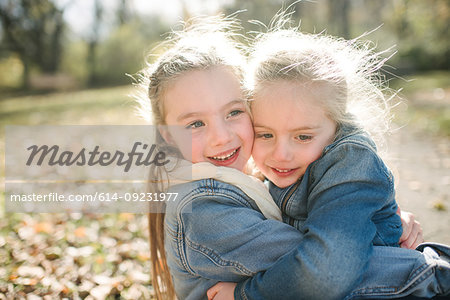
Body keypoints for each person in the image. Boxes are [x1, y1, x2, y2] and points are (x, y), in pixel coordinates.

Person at [134, 16, 449, 300]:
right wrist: (418, 258)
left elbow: (330, 237)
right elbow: (325, 265)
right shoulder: (202, 209)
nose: (221, 136)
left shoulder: (250, 182)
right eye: (195, 123)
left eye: (233, 112)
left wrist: (371, 217)